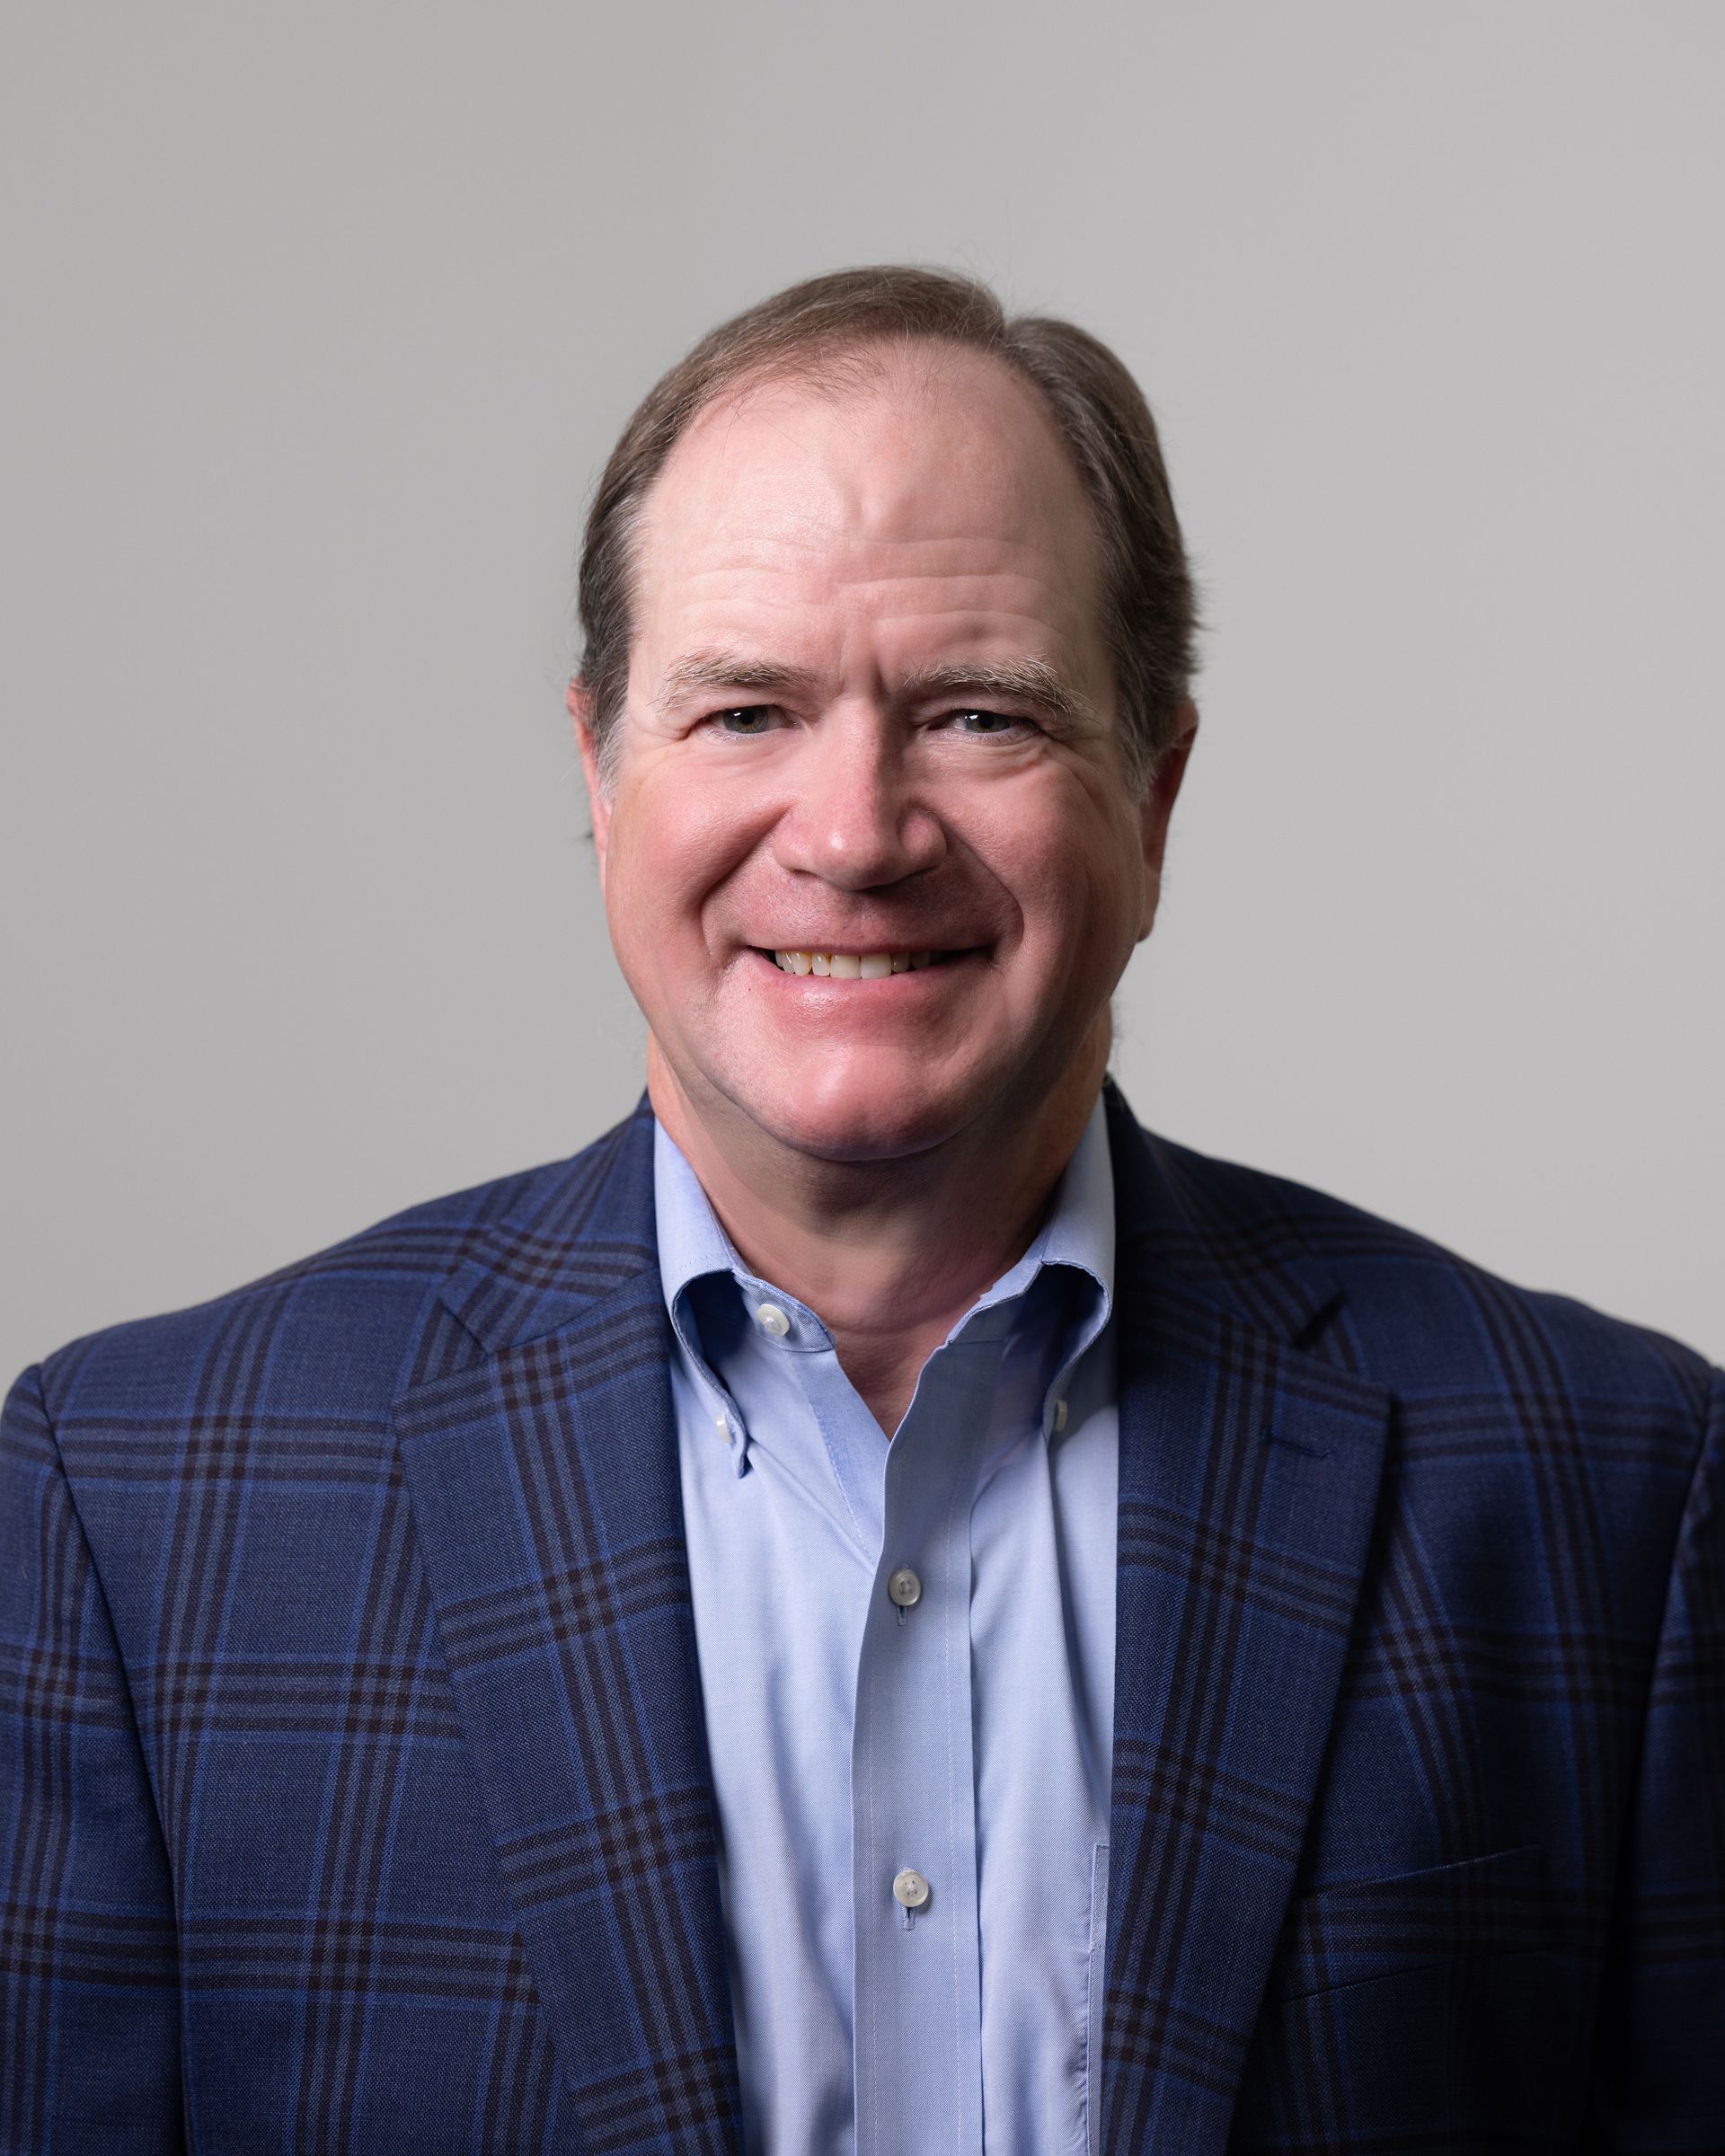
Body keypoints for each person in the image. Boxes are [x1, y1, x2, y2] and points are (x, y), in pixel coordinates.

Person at [1, 266, 1719, 2156]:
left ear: (1155, 792)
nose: (855, 831)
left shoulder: (1606, 1490)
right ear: (597, 770)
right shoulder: (140, 1511)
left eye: (981, 714)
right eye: (745, 711)